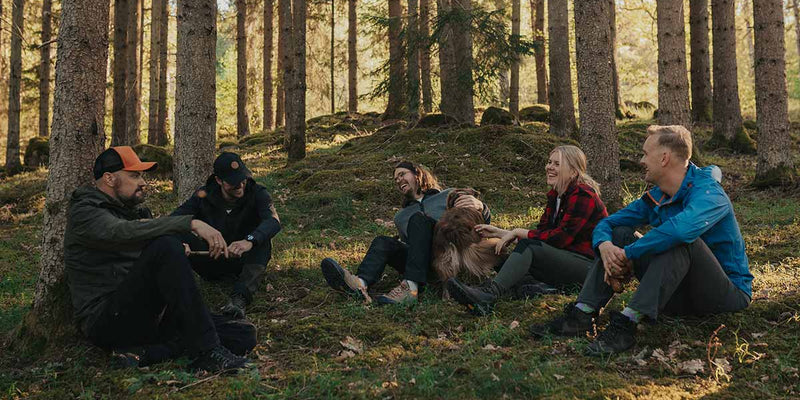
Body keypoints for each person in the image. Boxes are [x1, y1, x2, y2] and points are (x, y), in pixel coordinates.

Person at [531, 125, 753, 356]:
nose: (641, 160)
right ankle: (582, 313)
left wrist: (629, 254)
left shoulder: (709, 194)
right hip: (678, 293)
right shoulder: (657, 195)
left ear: (664, 158)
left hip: (725, 295)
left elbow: (679, 231)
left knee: (680, 238)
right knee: (620, 234)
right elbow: (607, 223)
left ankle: (627, 323)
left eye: (646, 154)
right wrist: (606, 247)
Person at [65, 146, 253, 371]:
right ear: (109, 178)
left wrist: (174, 254)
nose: (143, 182)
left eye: (142, 175)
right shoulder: (85, 211)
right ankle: (207, 352)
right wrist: (190, 223)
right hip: (107, 319)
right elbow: (120, 232)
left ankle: (145, 354)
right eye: (134, 176)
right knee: (166, 246)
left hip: (147, 314)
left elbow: (142, 249)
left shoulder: (133, 212)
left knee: (242, 333)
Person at [447, 145, 608, 315]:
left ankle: (490, 294)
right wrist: (499, 233)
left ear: (573, 172)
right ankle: (535, 288)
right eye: (549, 162)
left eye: (557, 164)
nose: (549, 167)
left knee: (528, 247)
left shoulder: (583, 194)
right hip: (565, 260)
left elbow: (560, 239)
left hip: (589, 269)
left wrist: (518, 232)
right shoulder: (556, 196)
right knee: (505, 256)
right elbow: (542, 235)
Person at [320, 161, 490, 305]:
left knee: (419, 219)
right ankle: (360, 284)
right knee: (383, 241)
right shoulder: (401, 216)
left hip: (452, 251)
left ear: (417, 174)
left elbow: (478, 220)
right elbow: (411, 247)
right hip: (427, 264)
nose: (399, 180)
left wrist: (481, 206)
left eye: (402, 174)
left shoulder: (447, 194)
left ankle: (411, 288)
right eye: (396, 179)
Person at [172, 152, 281, 319]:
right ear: (218, 180)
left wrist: (249, 241)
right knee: (176, 236)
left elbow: (273, 222)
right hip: (212, 258)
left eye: (242, 179)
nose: (240, 185)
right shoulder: (203, 195)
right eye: (233, 182)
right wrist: (180, 242)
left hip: (244, 261)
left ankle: (240, 298)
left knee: (262, 241)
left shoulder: (257, 192)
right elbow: (173, 220)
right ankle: (177, 296)